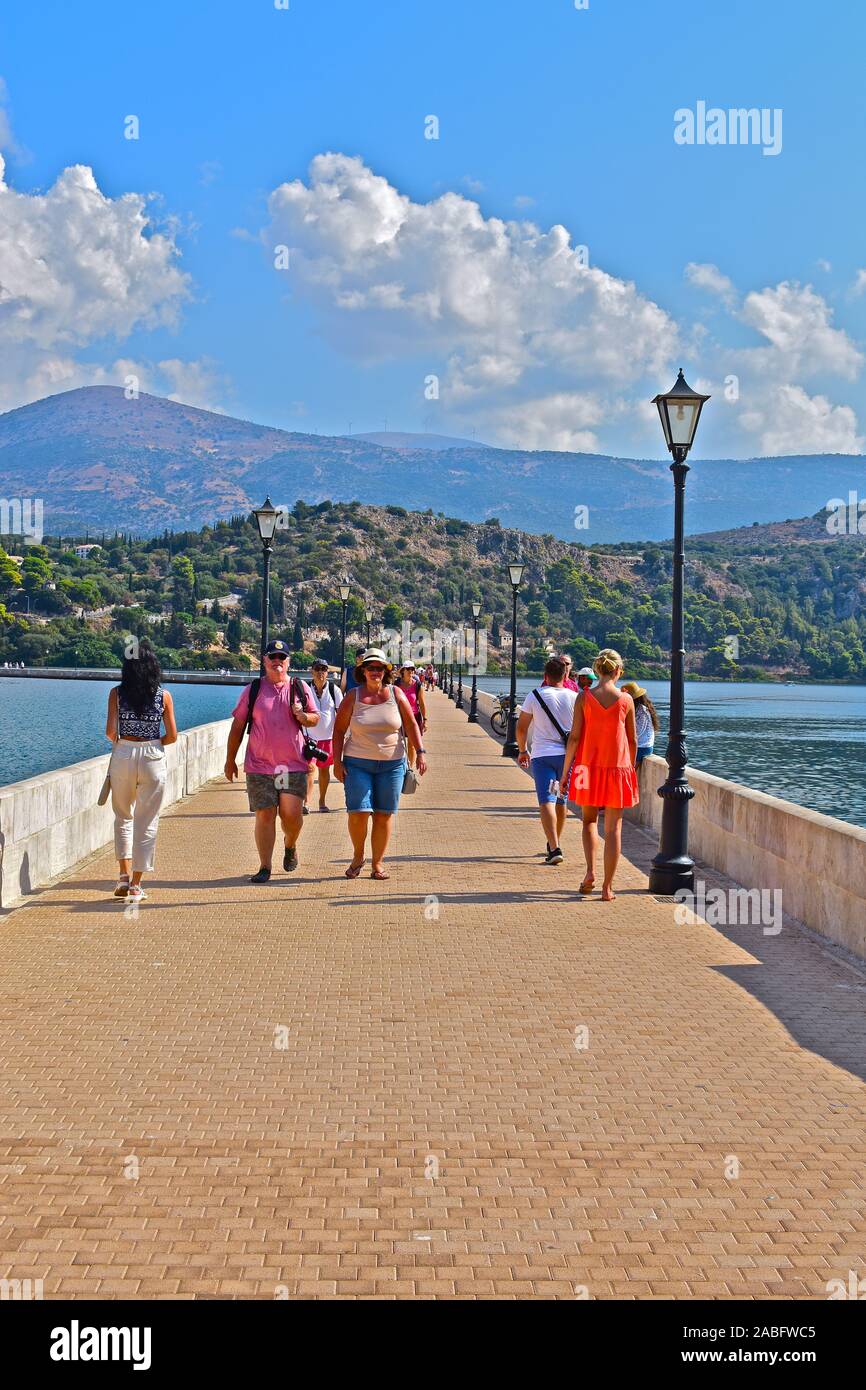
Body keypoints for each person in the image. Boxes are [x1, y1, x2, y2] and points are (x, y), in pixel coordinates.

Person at [224, 638, 320, 883]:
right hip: (259, 765)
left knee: (291, 816)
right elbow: (237, 727)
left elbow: (315, 718)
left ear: (288, 661)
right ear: (264, 660)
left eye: (282, 657)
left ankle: (290, 845)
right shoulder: (254, 690)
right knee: (265, 815)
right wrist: (230, 760)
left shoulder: (299, 687)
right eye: (272, 657)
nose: (277, 661)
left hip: (291, 765)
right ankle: (264, 866)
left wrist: (303, 716)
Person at [332, 648, 427, 880]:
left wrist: (421, 752)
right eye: (370, 668)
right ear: (362, 671)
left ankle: (377, 863)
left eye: (379, 668)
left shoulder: (396, 694)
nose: (374, 672)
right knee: (359, 812)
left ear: (385, 671)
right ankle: (357, 856)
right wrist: (337, 761)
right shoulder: (352, 697)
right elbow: (338, 730)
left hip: (392, 765)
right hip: (357, 763)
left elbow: (412, 724)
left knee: (384, 815)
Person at [562, 648, 638, 902]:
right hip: (617, 769)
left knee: (588, 821)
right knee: (614, 827)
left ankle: (590, 873)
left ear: (596, 671)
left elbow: (574, 737)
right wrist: (632, 769)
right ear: (618, 671)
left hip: (585, 768)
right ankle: (607, 887)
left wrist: (565, 773)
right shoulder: (626, 700)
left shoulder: (583, 698)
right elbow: (632, 740)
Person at [105, 638, 177, 902]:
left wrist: (126, 744)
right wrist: (153, 743)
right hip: (152, 756)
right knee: (147, 820)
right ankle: (136, 885)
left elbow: (111, 732)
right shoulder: (164, 696)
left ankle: (122, 877)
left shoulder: (116, 693)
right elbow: (172, 735)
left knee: (123, 816)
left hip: (123, 753)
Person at [516, 656, 578, 865]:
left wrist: (523, 751)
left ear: (545, 676)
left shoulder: (535, 696)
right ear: (566, 675)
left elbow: (522, 727)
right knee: (561, 799)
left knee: (546, 801)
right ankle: (555, 842)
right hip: (567, 757)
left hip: (543, 756)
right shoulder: (574, 696)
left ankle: (554, 846)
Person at [304, 658, 343, 811]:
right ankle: (306, 802)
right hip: (309, 738)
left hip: (328, 738)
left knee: (324, 771)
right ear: (312, 671)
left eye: (324, 669)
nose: (321, 672)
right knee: (310, 768)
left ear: (327, 672)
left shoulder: (334, 690)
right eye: (317, 668)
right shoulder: (305, 689)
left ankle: (322, 801)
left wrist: (344, 735)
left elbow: (341, 713)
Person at [394, 660, 428, 769]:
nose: (411, 671)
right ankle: (398, 765)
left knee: (412, 745)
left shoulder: (417, 685)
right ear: (403, 671)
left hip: (414, 717)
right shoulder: (396, 685)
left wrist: (425, 720)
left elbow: (422, 703)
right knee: (397, 743)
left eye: (413, 669)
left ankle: (409, 768)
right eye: (408, 669)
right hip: (399, 717)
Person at [622, 681, 659, 765]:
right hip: (638, 746)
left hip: (642, 747)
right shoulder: (637, 708)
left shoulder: (642, 711)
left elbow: (637, 732)